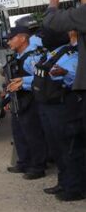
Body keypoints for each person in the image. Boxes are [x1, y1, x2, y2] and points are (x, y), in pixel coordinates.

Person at [32, 30, 84, 201]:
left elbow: (77, 78)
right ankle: (64, 182)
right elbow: (39, 75)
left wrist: (65, 73)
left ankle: (75, 188)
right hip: (47, 105)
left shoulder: (72, 54)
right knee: (56, 148)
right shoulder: (51, 54)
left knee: (69, 149)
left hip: (63, 106)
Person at [5, 26, 48, 180]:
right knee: (19, 132)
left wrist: (23, 83)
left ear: (22, 38)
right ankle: (23, 162)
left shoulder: (33, 57)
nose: (8, 41)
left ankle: (38, 166)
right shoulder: (19, 56)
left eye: (11, 38)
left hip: (31, 99)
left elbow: (42, 78)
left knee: (33, 134)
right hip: (19, 100)